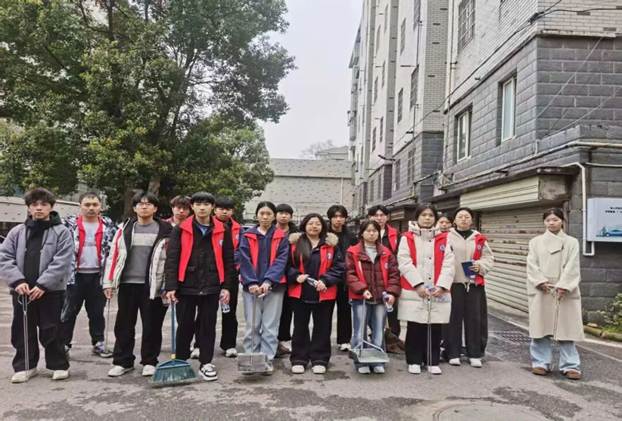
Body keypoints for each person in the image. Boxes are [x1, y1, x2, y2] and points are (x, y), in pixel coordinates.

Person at [0, 188, 73, 383]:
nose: (39, 208)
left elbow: (62, 261)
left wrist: (43, 284)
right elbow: (4, 257)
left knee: (52, 329)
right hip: (22, 291)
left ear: (51, 207)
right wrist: (17, 281)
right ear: (28, 208)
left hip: (51, 291)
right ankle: (26, 366)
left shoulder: (62, 232)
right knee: (22, 330)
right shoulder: (17, 232)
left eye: (44, 204)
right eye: (34, 205)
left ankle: (58, 365)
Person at [164, 192, 235, 381]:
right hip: (186, 285)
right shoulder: (181, 229)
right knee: (184, 325)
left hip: (212, 285)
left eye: (206, 204)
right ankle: (181, 361)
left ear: (212, 207)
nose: (202, 207)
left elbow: (229, 259)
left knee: (207, 325)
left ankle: (206, 362)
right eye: (198, 204)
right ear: (192, 207)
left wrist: (226, 286)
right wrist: (171, 286)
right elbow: (172, 258)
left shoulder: (222, 229)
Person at [103, 191, 172, 378]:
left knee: (152, 325)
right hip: (127, 284)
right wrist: (108, 282)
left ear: (155, 208)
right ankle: (122, 361)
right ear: (134, 208)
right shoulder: (124, 228)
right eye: (140, 204)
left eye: (148, 204)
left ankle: (149, 361)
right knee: (124, 325)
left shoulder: (166, 230)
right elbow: (113, 255)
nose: (144, 207)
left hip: (153, 285)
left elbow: (171, 260)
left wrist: (169, 286)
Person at [526, 208, 584, 380]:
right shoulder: (535, 242)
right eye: (548, 220)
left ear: (562, 221)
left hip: (565, 290)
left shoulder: (572, 242)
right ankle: (540, 363)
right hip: (542, 289)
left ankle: (570, 365)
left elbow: (573, 265)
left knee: (567, 329)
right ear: (544, 222)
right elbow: (531, 264)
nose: (551, 223)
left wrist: (564, 285)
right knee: (540, 328)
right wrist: (540, 282)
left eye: (555, 219)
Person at [397, 204, 455, 375]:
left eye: (430, 215)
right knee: (415, 326)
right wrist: (418, 284)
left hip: (437, 289)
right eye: (423, 215)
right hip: (415, 289)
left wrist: (442, 285)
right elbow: (404, 262)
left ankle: (432, 360)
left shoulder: (445, 238)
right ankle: (414, 360)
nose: (427, 218)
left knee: (435, 326)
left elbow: (449, 264)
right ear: (417, 217)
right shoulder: (407, 238)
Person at [59, 192, 117, 358]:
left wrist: (111, 279)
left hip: (98, 276)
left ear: (100, 206)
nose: (91, 208)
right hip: (74, 276)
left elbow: (114, 251)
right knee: (69, 312)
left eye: (95, 205)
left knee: (97, 312)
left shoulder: (109, 226)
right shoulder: (68, 225)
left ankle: (98, 343)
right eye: (87, 205)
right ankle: (63, 344)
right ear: (80, 206)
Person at [288, 213, 344, 374]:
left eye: (317, 224)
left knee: (323, 326)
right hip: (300, 291)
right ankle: (299, 358)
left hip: (324, 292)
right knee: (300, 326)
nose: (314, 226)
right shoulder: (295, 244)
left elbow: (339, 267)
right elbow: (286, 264)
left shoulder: (331, 245)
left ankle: (320, 359)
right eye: (311, 223)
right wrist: (295, 276)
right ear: (304, 225)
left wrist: (326, 280)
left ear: (323, 226)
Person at [238, 201, 289, 373]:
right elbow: (244, 260)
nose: (265, 217)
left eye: (269, 214)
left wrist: (268, 281)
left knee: (270, 325)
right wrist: (251, 282)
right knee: (252, 324)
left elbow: (281, 261)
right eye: (262, 213)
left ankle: (267, 359)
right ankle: (251, 358)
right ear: (256, 215)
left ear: (274, 216)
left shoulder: (281, 236)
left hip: (274, 287)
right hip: (251, 287)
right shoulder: (247, 235)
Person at [346, 220, 400, 374]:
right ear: (361, 233)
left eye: (374, 231)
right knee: (359, 330)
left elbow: (394, 274)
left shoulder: (386, 252)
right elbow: (350, 274)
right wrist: (362, 289)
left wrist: (391, 292)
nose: (371, 233)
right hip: (360, 298)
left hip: (381, 298)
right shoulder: (353, 252)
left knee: (378, 330)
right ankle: (360, 361)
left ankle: (377, 360)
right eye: (368, 231)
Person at [445, 207, 494, 368]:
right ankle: (453, 353)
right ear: (454, 220)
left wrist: (480, 266)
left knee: (475, 319)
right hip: (453, 284)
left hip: (474, 285)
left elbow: (489, 258)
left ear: (472, 220)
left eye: (467, 217)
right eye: (460, 216)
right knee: (453, 319)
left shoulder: (479, 238)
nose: (464, 219)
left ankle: (475, 353)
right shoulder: (447, 237)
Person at [368, 205, 403, 353]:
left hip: (391, 275)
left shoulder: (396, 235)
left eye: (382, 215)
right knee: (373, 308)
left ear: (387, 217)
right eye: (375, 215)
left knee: (392, 309)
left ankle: (393, 339)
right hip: (372, 277)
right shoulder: (366, 232)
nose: (379, 218)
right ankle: (376, 338)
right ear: (370, 217)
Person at [212, 196, 242, 359]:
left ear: (232, 211)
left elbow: (240, 251)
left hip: (230, 275)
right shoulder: (207, 225)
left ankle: (229, 344)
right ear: (214, 209)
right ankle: (199, 345)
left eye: (228, 209)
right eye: (221, 208)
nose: (224, 212)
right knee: (206, 312)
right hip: (210, 275)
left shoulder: (238, 229)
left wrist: (234, 266)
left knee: (229, 310)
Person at [327, 204, 357, 352]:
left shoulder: (351, 236)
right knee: (325, 311)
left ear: (345, 219)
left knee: (345, 310)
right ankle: (323, 339)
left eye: (341, 216)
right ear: (330, 218)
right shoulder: (324, 235)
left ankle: (344, 340)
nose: (338, 219)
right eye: (335, 216)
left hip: (345, 279)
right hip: (328, 278)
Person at [275, 203, 298, 357]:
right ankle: (271, 340)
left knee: (287, 309)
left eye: (287, 213)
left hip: (291, 276)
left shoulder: (297, 234)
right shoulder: (270, 230)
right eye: (281, 213)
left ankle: (284, 338)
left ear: (291, 216)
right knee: (272, 311)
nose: (283, 216)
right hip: (274, 276)